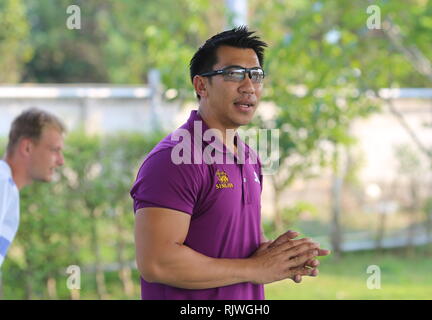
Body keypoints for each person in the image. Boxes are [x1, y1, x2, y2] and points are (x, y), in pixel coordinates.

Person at [130, 26, 330, 300]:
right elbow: (157, 263)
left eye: (256, 75)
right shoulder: (173, 159)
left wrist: (274, 258)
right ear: (201, 86)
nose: (249, 87)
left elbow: (237, 253)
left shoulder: (249, 157)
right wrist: (253, 267)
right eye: (234, 74)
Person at [0, 108, 65, 267]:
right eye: (54, 150)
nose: (61, 161)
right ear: (27, 147)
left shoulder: (7, 186)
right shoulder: (2, 182)